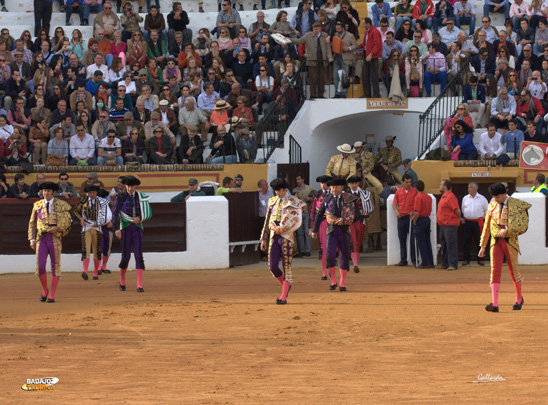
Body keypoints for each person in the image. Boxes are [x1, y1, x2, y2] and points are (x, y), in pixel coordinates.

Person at [479, 182, 531, 312]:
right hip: (496, 241)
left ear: (503, 194)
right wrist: (483, 245)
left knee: (513, 270)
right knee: (495, 270)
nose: (495, 200)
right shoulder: (492, 206)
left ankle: (519, 298)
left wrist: (508, 231)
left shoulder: (517, 204)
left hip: (510, 241)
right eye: (493, 197)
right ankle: (495, 304)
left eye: (497, 197)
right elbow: (487, 227)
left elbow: (523, 226)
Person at [260, 178, 305, 305]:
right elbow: (267, 220)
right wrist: (264, 238)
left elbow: (297, 220)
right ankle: (286, 284)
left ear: (285, 189)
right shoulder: (272, 201)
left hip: (287, 236)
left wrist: (283, 228)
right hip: (274, 236)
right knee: (273, 266)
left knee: (287, 266)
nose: (277, 193)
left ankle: (283, 296)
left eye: (279, 191)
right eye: (275, 191)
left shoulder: (293, 201)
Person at [28, 181, 73, 303]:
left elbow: (68, 221)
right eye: (44, 190)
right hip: (41, 238)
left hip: (55, 238)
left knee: (55, 266)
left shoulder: (61, 205)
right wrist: (32, 239)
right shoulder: (37, 205)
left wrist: (57, 228)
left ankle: (52, 294)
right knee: (40, 266)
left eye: (48, 191)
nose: (46, 193)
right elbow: (32, 223)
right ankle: (45, 289)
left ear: (53, 192)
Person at [312, 178, 356, 292]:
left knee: (344, 256)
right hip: (331, 231)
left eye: (336, 187)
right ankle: (333, 281)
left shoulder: (349, 198)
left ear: (342, 188)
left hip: (344, 231)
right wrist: (314, 230)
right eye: (332, 187)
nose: (334, 189)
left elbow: (355, 214)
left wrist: (345, 220)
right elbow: (319, 214)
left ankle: (342, 283)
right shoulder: (327, 199)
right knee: (330, 256)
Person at [112, 176, 152, 292]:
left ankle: (139, 284)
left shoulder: (140, 197)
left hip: (137, 228)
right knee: (126, 256)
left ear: (135, 186)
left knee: (138, 255)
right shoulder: (120, 197)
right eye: (128, 186)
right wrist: (116, 229)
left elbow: (146, 212)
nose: (129, 188)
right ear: (125, 186)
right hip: (125, 228)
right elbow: (115, 214)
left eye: (131, 186)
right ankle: (122, 281)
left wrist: (140, 219)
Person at [71, 184, 112, 280]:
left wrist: (99, 223)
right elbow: (75, 211)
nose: (91, 194)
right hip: (86, 227)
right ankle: (85, 271)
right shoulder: (83, 200)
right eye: (89, 192)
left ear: (96, 192)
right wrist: (80, 218)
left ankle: (95, 272)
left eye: (93, 192)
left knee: (96, 250)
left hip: (97, 227)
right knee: (86, 249)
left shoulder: (102, 201)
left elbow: (109, 215)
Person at [290, 22, 333, 99]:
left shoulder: (325, 35)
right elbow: (299, 41)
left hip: (322, 58)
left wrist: (329, 57)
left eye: (316, 29)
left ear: (320, 28)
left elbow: (328, 48)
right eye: (314, 29)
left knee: (322, 78)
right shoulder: (308, 35)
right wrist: (290, 39)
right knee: (313, 78)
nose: (315, 30)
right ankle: (313, 95)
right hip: (311, 58)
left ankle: (321, 95)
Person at [347, 175, 374, 273]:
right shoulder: (345, 195)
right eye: (352, 183)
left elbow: (370, 208)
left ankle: (354, 260)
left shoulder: (364, 194)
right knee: (351, 240)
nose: (354, 185)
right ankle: (354, 263)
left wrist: (364, 212)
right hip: (348, 222)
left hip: (360, 221)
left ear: (358, 183)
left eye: (356, 183)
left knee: (358, 240)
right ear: (349, 184)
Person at [460, 182, 489, 268]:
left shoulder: (482, 199)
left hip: (478, 222)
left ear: (476, 188)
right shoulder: (465, 198)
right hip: (467, 222)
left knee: (479, 241)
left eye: (471, 187)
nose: (469, 189)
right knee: (466, 240)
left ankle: (480, 259)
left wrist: (481, 218)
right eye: (468, 187)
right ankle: (466, 259)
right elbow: (463, 209)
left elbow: (486, 211)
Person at [309, 175, 332, 279]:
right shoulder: (317, 195)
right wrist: (312, 227)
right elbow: (313, 211)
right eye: (321, 183)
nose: (323, 185)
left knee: (333, 247)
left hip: (333, 222)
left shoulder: (334, 194)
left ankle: (331, 268)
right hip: (322, 223)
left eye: (325, 183)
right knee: (323, 247)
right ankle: (324, 272)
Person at [392, 174, 417, 267]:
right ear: (402, 182)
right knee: (402, 239)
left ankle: (414, 259)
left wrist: (414, 212)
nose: (408, 184)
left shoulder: (414, 191)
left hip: (410, 217)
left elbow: (417, 203)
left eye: (409, 182)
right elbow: (394, 204)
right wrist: (396, 212)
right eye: (406, 182)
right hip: (401, 217)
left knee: (412, 240)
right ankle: (403, 259)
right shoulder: (398, 192)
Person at [437, 179, 461, 271]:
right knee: (445, 245)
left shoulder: (450, 196)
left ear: (445, 186)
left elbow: (457, 210)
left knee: (451, 244)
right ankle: (446, 263)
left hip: (450, 225)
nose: (439, 186)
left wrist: (458, 219)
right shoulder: (444, 196)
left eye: (441, 184)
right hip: (443, 225)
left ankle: (452, 264)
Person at [411, 180, 434, 269]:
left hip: (420, 220)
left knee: (421, 242)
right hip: (427, 219)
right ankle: (430, 262)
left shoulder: (418, 197)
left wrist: (414, 222)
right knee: (427, 241)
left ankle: (424, 262)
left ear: (416, 188)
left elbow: (417, 212)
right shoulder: (428, 197)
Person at [292, 173, 315, 258]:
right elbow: (292, 201)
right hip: (299, 213)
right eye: (296, 180)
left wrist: (310, 199)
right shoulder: (295, 190)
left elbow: (316, 198)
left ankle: (308, 250)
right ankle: (302, 250)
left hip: (307, 211)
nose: (297, 181)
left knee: (307, 231)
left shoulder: (310, 188)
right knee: (300, 232)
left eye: (299, 179)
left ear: (302, 180)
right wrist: (295, 198)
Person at [360, 17, 382, 98]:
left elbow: (378, 45)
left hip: (372, 57)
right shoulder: (368, 32)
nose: (363, 25)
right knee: (366, 76)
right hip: (367, 55)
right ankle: (367, 94)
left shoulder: (374, 31)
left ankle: (376, 94)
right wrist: (357, 46)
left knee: (373, 76)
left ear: (368, 23)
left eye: (364, 24)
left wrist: (371, 54)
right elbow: (365, 43)